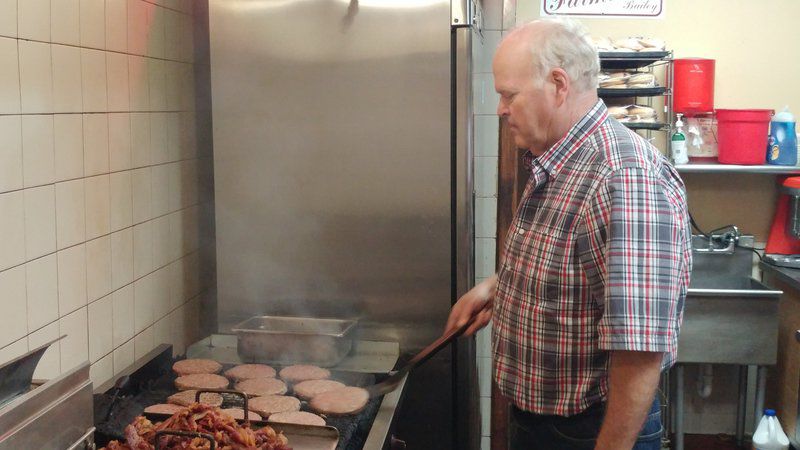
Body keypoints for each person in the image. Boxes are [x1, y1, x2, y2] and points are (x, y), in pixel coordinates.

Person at [445, 18, 692, 450]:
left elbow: (639, 350)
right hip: (545, 424)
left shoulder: (622, 177)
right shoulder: (558, 161)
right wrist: (498, 288)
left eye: (509, 95)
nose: (501, 109)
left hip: (590, 431)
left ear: (558, 84)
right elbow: (575, 272)